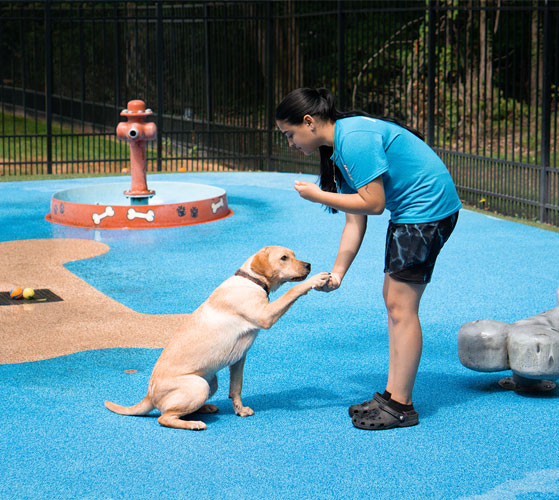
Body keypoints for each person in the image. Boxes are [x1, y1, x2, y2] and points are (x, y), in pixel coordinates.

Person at [275, 87, 462, 430]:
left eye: (290, 134)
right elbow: (354, 220)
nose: (290, 143)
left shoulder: (355, 140)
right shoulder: (339, 146)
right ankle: (394, 395)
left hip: (425, 211)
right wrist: (338, 273)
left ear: (308, 122)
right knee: (394, 303)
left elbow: (373, 204)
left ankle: (401, 406)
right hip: (412, 213)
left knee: (401, 308)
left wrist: (317, 194)